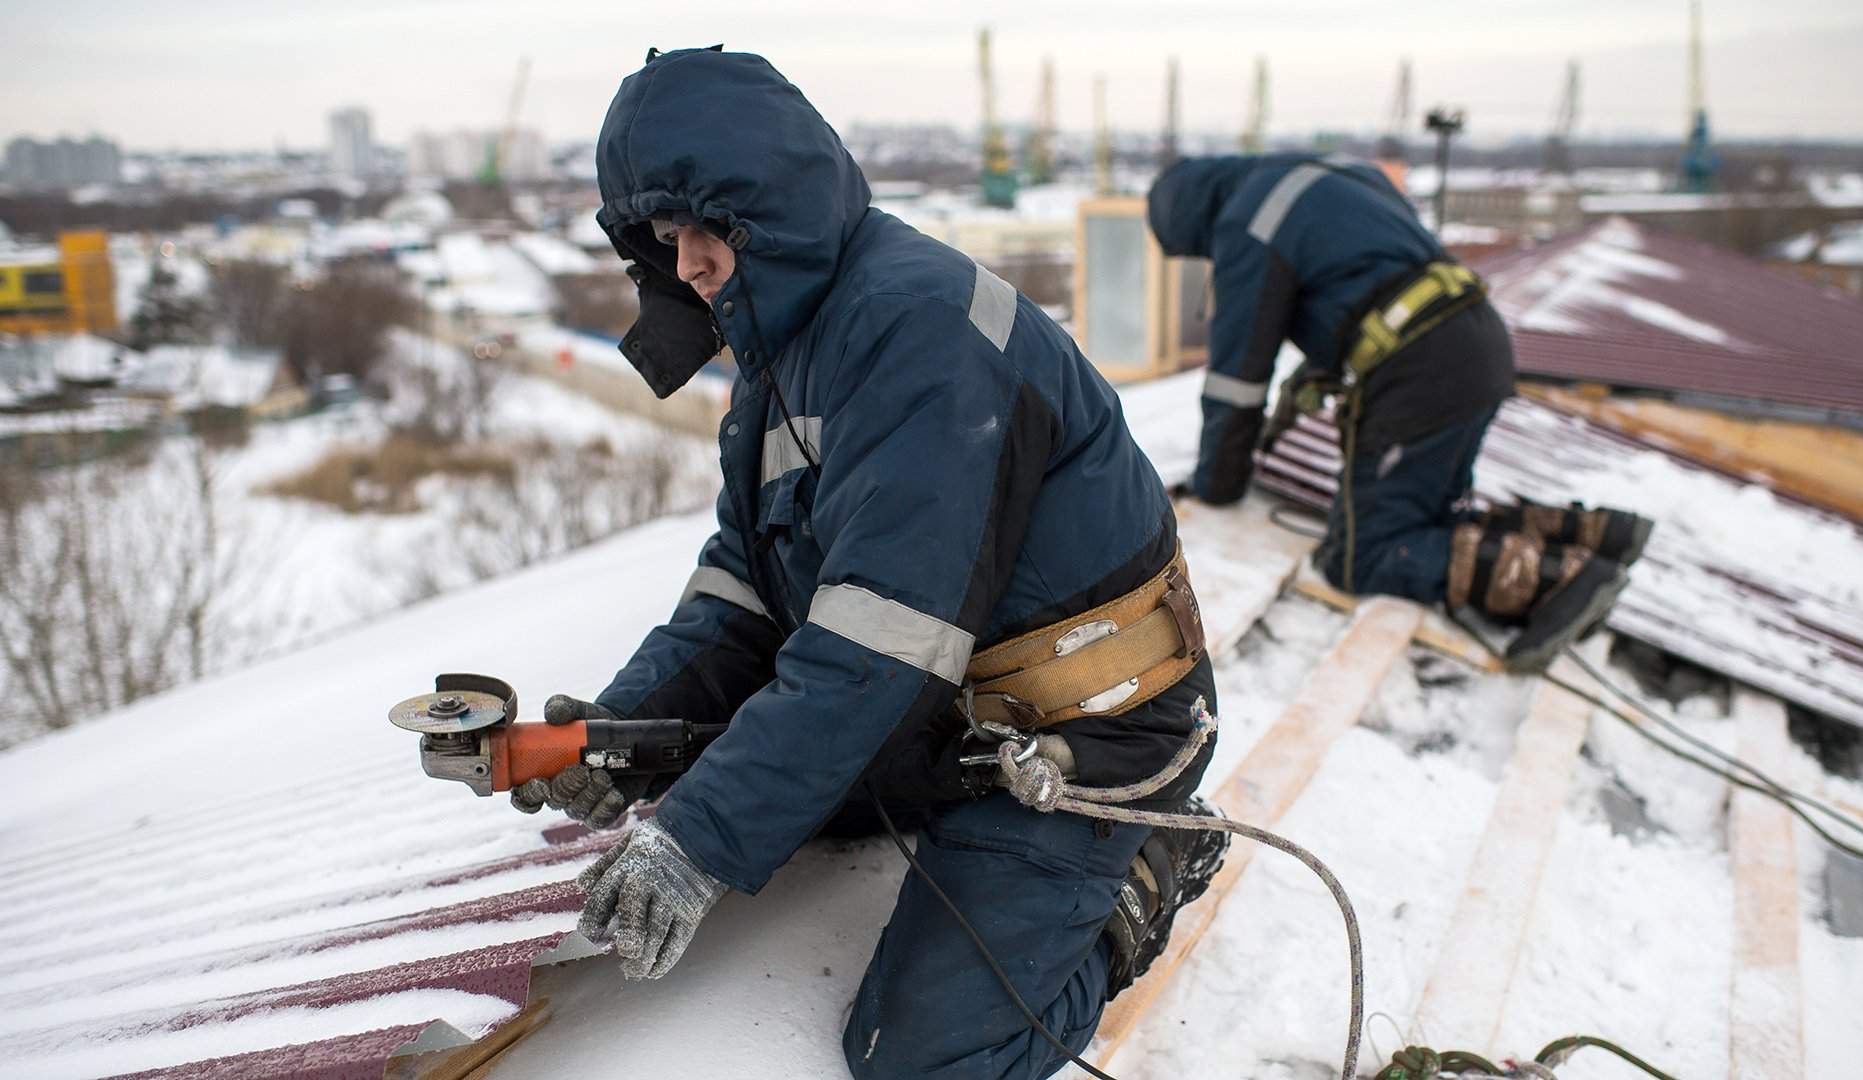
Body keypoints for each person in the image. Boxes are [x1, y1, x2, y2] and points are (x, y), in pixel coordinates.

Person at [512, 47, 1225, 1079]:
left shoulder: (917, 328)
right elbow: (746, 586)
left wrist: (700, 842)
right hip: (944, 716)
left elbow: (876, 643)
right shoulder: (781, 350)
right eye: (665, 239)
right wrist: (619, 729)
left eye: (712, 228)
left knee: (923, 1059)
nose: (690, 265)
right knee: (720, 762)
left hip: (1085, 730)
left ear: (780, 205)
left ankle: (1148, 868)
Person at [1146, 154, 1651, 671]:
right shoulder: (1332, 177)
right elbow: (1365, 281)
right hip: (1475, 340)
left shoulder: (1247, 224)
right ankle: (1595, 535)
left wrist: (1217, 487)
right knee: (1426, 516)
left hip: (1421, 370)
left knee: (1358, 557)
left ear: (1190, 221)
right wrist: (1318, 369)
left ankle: (1561, 581)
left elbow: (1237, 382)